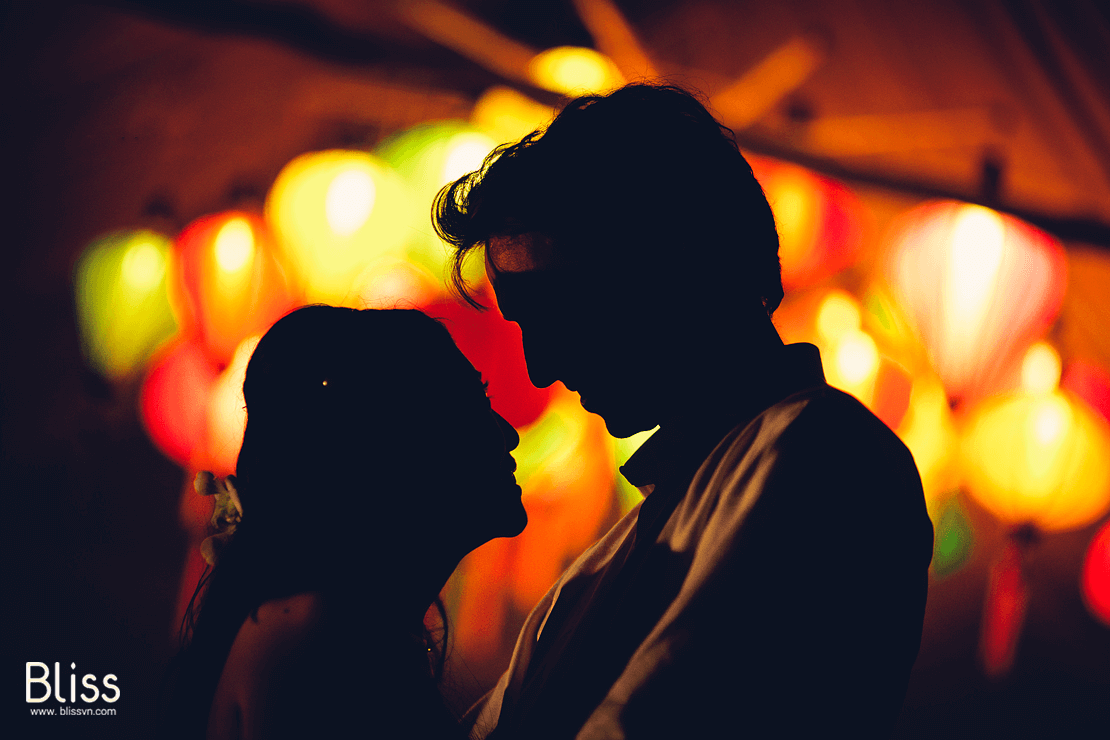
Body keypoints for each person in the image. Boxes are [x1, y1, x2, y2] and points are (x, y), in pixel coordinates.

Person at [434, 84, 934, 738]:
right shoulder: (614, 553)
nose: (538, 368)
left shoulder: (824, 457)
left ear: (659, 264)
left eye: (554, 313)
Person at [161, 305, 526, 739]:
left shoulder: (342, 631)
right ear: (395, 446)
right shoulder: (316, 643)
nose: (509, 433)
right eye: (475, 404)